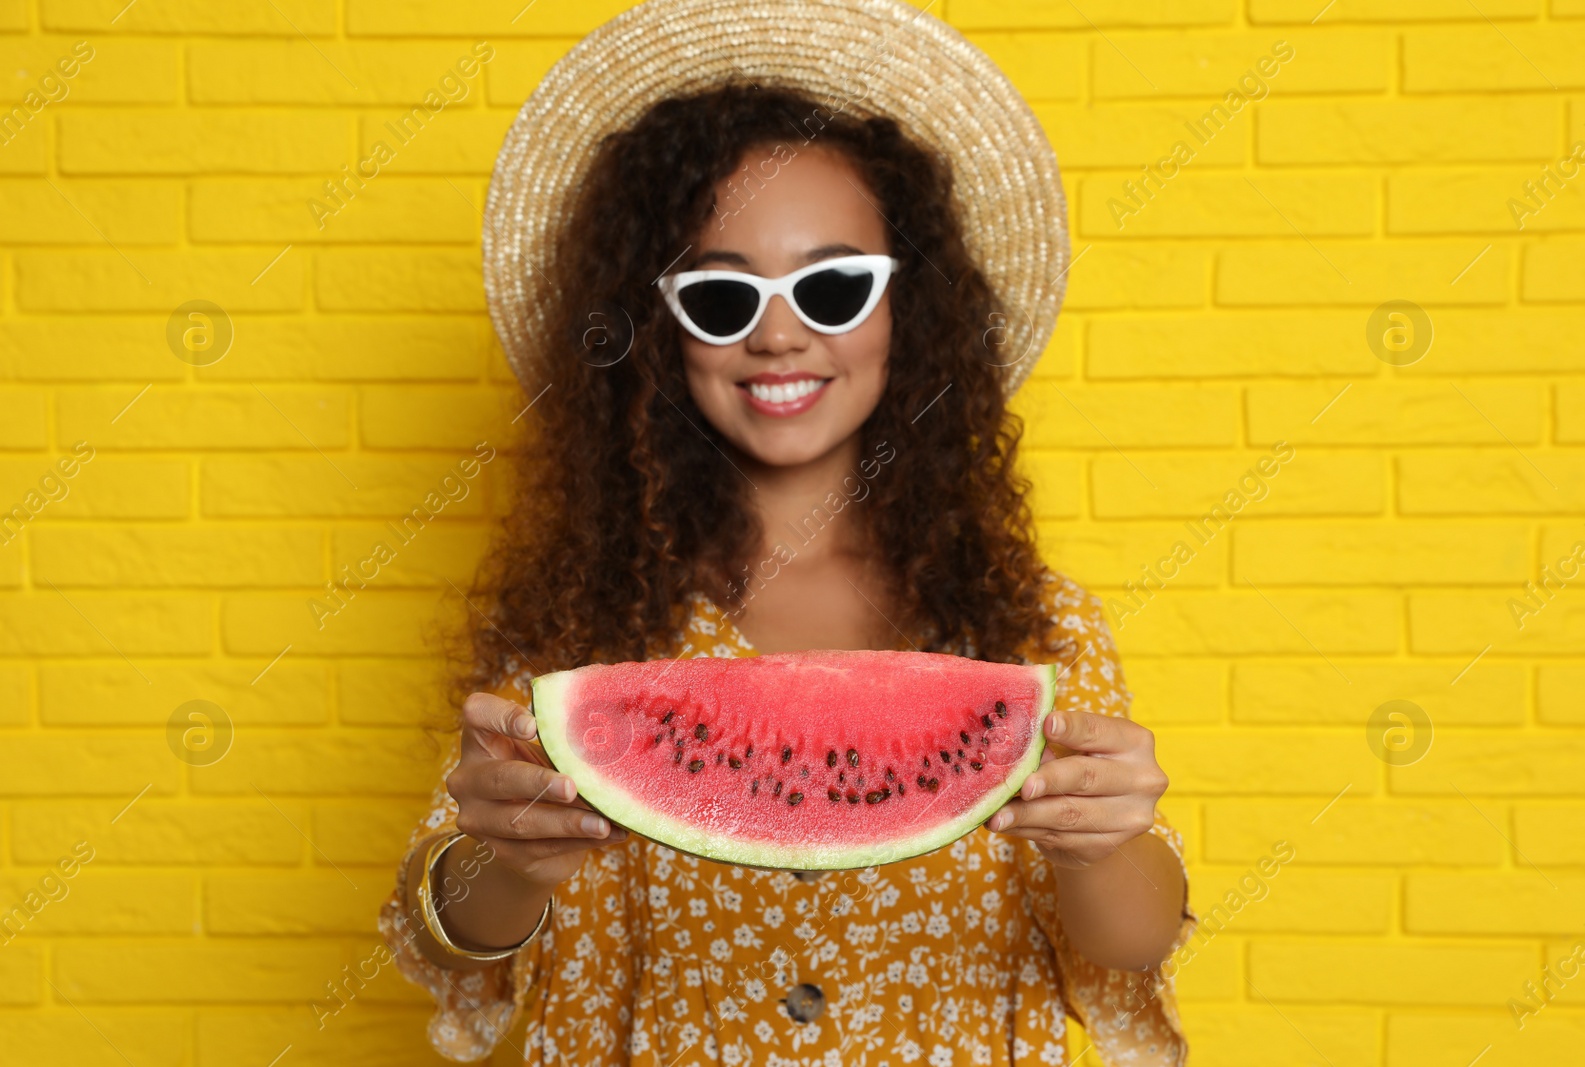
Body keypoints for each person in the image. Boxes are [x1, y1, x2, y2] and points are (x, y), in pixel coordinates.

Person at [380, 3, 1195, 1063]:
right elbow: (455, 936)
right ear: (658, 328)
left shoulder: (1031, 623)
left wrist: (1107, 838)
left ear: (913, 311)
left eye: (831, 285)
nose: (776, 332)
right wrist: (508, 858)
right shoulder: (578, 616)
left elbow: (1126, 945)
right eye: (720, 296)